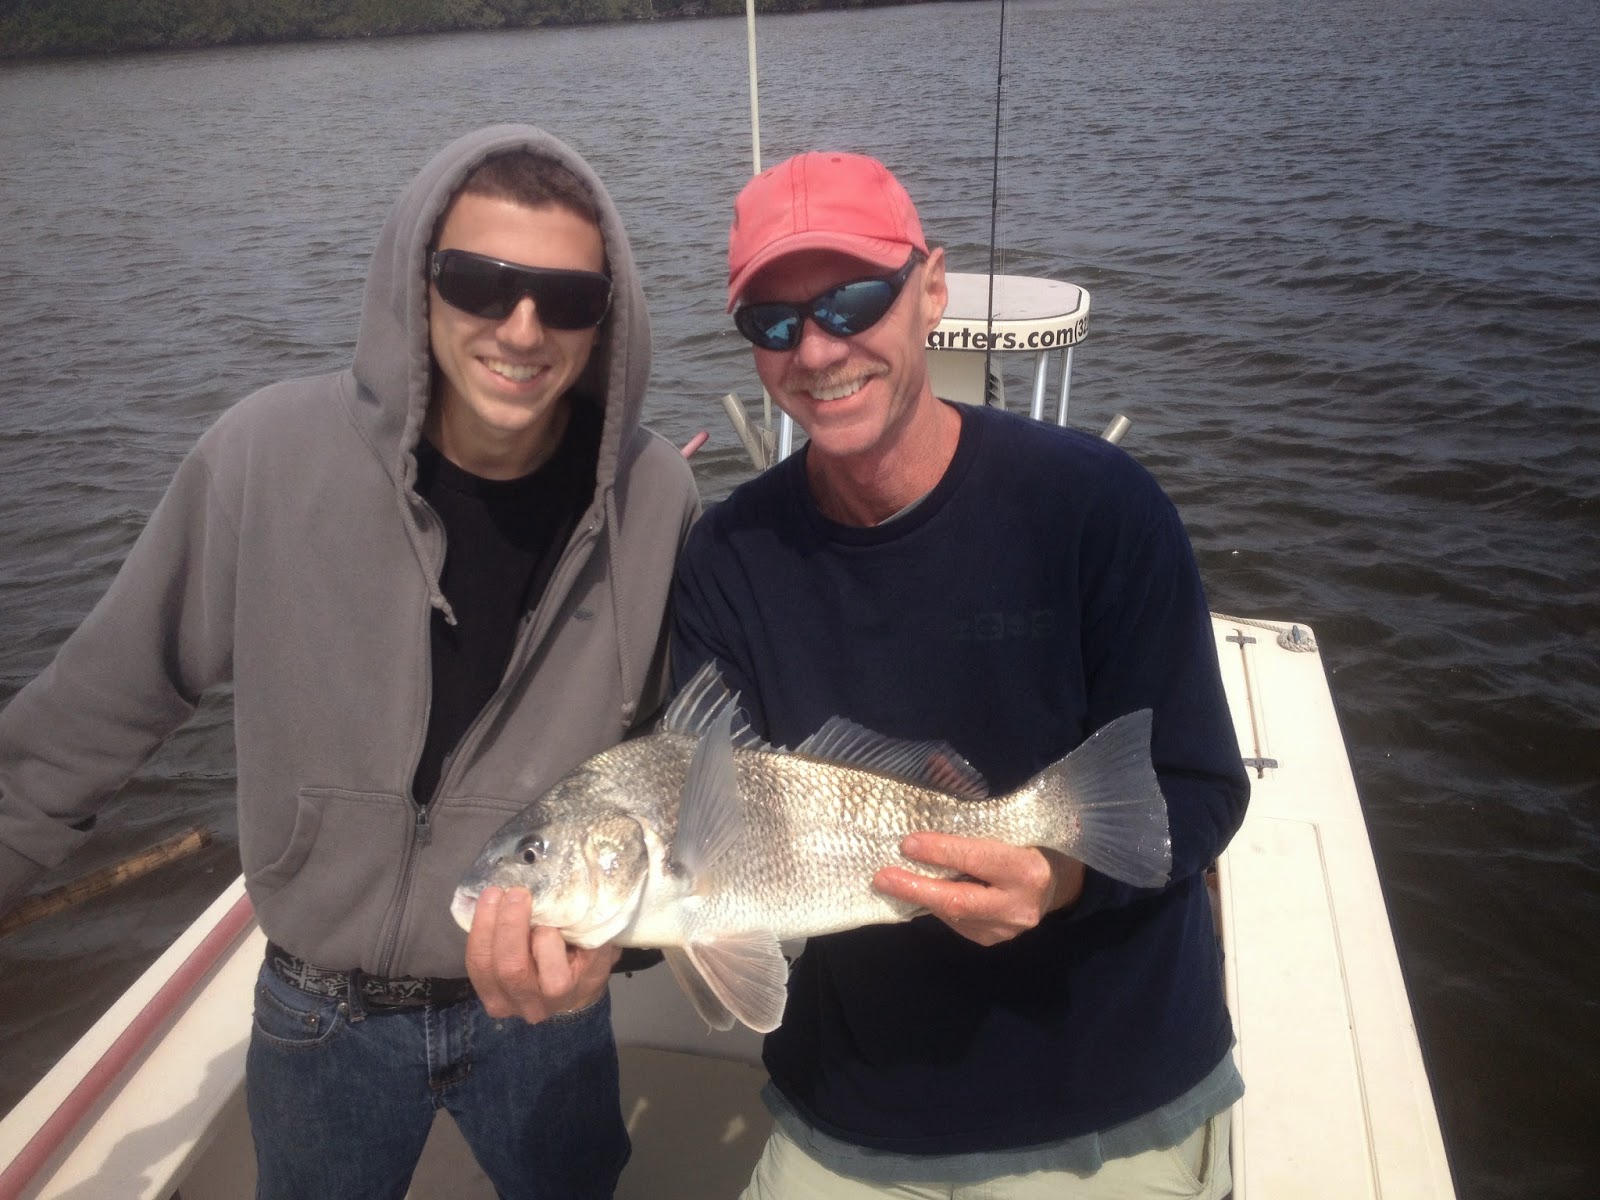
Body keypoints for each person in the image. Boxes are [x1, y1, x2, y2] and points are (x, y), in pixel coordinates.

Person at [0, 125, 700, 1199]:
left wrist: (625, 949)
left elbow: (677, 759)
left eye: (567, 299)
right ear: (419, 282)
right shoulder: (265, 456)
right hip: (318, 1011)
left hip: (541, 1003)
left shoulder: (655, 499)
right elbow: (99, 707)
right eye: (480, 283)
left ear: (607, 318)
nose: (522, 328)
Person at [669, 150, 1250, 1199]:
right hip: (853, 1104)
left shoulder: (1098, 508)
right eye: (774, 322)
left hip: (1104, 1092)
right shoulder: (726, 557)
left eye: (852, 300)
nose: (817, 349)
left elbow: (1197, 787)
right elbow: (696, 812)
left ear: (930, 289)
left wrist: (1060, 878)